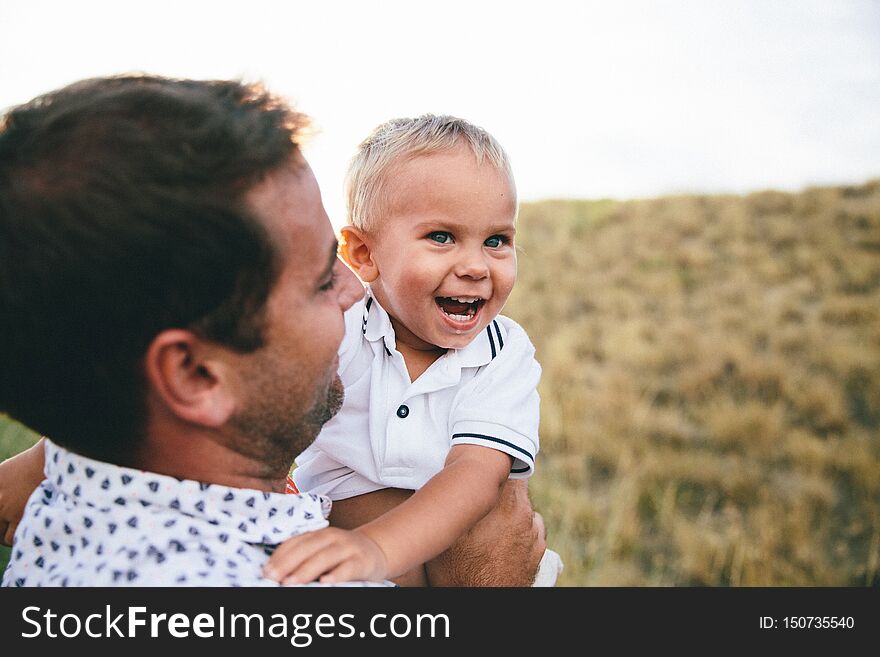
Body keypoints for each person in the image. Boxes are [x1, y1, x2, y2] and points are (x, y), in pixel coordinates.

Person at [0, 75, 545, 586]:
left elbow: (475, 472)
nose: (352, 292)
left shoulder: (95, 474)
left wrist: (45, 459)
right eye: (317, 281)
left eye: (497, 240)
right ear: (193, 374)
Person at [263, 116, 562, 586]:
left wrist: (376, 548)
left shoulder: (503, 353)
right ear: (363, 254)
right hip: (340, 552)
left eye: (496, 241)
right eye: (441, 237)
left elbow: (477, 474)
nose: (475, 266)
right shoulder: (339, 328)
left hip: (454, 559)